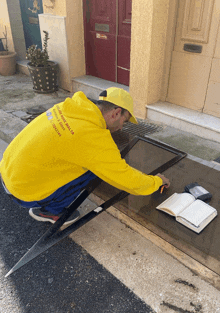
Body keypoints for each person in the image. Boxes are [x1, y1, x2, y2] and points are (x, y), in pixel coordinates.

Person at [0, 87, 170, 225]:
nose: (121, 127)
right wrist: (156, 182)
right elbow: (128, 180)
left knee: (85, 162)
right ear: (116, 113)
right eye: (124, 122)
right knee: (92, 172)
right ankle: (50, 212)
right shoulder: (94, 139)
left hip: (7, 171)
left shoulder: (71, 108)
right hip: (22, 192)